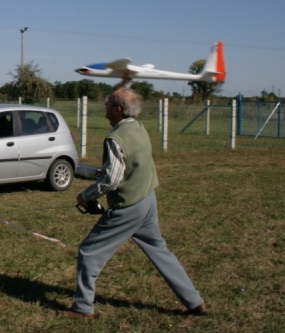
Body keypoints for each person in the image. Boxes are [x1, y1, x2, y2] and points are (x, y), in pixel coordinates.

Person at [63, 87, 207, 318]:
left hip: (128, 206)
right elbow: (130, 164)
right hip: (148, 199)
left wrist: (85, 196)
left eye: (108, 103)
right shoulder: (138, 128)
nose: (105, 106)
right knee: (160, 251)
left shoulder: (114, 138)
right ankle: (194, 301)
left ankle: (82, 308)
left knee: (89, 252)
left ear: (117, 110)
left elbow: (111, 180)